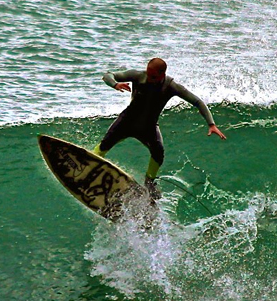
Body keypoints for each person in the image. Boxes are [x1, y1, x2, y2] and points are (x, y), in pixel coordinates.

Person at [93, 58, 226, 199]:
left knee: (158, 153)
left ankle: (149, 182)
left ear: (162, 74)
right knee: (105, 144)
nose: (150, 79)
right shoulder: (138, 76)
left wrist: (211, 124)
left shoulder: (171, 86)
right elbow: (107, 75)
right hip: (127, 121)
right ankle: (89, 163)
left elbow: (197, 102)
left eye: (154, 77)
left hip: (149, 127)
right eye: (148, 74)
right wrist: (115, 84)